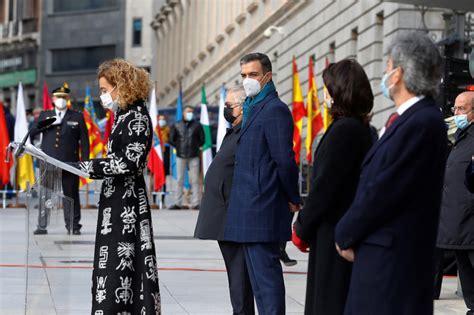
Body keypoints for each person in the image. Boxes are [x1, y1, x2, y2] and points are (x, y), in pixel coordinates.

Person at [334, 31, 448, 315]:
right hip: (383, 259)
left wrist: (344, 232)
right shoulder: (409, 119)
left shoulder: (422, 122)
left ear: (398, 73)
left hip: (392, 266)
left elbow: (383, 189)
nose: (385, 74)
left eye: (387, 66)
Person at [73, 59, 161, 314]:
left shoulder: (137, 117)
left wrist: (88, 167)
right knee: (110, 261)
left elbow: (128, 162)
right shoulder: (123, 116)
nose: (102, 96)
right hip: (116, 198)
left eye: (104, 90)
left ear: (121, 86)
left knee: (122, 262)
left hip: (127, 202)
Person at [292, 59, 374, 315]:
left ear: (339, 91)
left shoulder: (345, 131)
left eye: (327, 88)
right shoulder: (362, 129)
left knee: (328, 302)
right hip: (345, 229)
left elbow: (325, 187)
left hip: (334, 231)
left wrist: (302, 225)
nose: (324, 94)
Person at [223, 52, 301, 315]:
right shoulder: (253, 106)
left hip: (262, 209)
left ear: (267, 76)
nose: (247, 80)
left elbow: (285, 160)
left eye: (253, 75)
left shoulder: (274, 109)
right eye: (244, 75)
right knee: (257, 286)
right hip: (248, 209)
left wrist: (293, 197)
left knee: (266, 287)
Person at [194, 86, 255, 314]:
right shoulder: (234, 131)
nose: (226, 110)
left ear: (242, 107)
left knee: (239, 276)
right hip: (223, 216)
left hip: (232, 216)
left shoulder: (245, 132)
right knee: (235, 274)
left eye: (229, 106)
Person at [31, 86, 89, 235]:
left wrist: (85, 162)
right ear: (53, 99)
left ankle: (73, 226)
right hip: (49, 162)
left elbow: (84, 142)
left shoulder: (77, 116)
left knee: (71, 194)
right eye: (58, 97)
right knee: (46, 194)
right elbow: (33, 131)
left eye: (64, 97)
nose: (61, 100)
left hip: (70, 163)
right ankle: (42, 225)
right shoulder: (46, 115)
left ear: (68, 99)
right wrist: (48, 123)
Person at [437, 91, 474, 314]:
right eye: (456, 109)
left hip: (469, 217)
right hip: (457, 218)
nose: (457, 113)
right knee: (465, 268)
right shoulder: (460, 135)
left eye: (462, 109)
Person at [169, 105, 204, 210]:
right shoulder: (176, 125)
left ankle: (195, 203)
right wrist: (179, 147)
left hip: (194, 155)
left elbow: (202, 139)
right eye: (188, 112)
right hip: (181, 155)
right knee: (179, 179)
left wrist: (195, 147)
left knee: (195, 180)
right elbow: (171, 139)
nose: (190, 114)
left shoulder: (197, 125)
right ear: (183, 113)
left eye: (191, 112)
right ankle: (177, 203)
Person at [158, 114, 170, 206]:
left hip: (165, 155)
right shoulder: (154, 131)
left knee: (164, 178)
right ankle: (154, 201)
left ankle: (163, 200)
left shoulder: (168, 130)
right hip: (156, 157)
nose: (162, 121)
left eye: (163, 119)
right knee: (155, 179)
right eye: (160, 119)